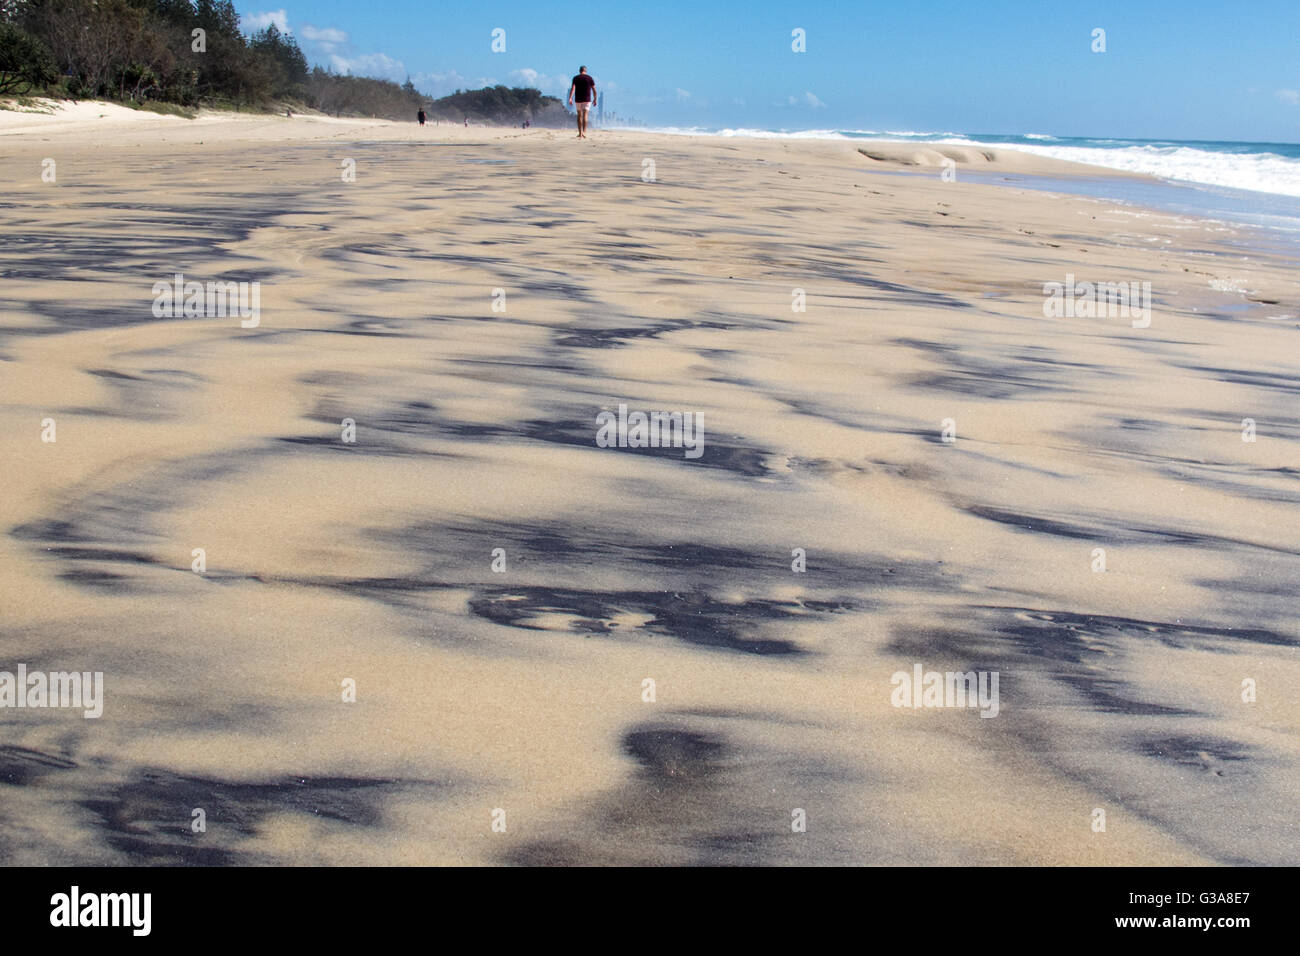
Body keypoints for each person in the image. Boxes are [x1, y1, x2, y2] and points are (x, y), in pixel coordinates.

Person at [567, 66, 596, 138]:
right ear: (586, 71)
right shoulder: (590, 78)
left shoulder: (576, 78)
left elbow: (573, 89)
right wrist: (595, 99)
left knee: (579, 115)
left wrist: (570, 98)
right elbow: (594, 90)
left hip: (578, 99)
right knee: (585, 115)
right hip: (587, 99)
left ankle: (580, 133)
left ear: (579, 71)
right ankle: (584, 132)